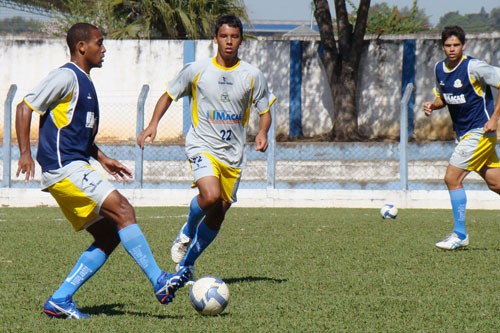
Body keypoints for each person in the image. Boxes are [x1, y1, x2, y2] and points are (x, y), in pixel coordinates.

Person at [16, 23, 189, 319]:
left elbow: (73, 131)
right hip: (65, 168)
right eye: (99, 42)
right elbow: (24, 107)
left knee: (109, 236)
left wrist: (102, 157)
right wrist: (24, 153)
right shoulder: (66, 77)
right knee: (123, 209)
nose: (104, 48)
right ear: (82, 46)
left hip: (72, 166)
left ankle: (60, 299)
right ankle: (160, 282)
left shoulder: (84, 82)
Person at [137, 15, 275, 279]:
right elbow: (169, 94)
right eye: (224, 36)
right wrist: (153, 123)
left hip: (233, 154)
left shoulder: (252, 75)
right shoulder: (197, 70)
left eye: (234, 37)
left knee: (218, 214)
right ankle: (187, 230)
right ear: (215, 39)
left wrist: (263, 132)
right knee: (210, 196)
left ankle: (187, 265)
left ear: (241, 40)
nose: (229, 42)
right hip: (202, 145)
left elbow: (265, 109)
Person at [423, 25, 500, 250]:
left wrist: (495, 118)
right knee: (496, 183)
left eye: (456, 45)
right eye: (448, 45)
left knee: (452, 178)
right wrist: (432, 105)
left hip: (481, 132)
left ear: (463, 45)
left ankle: (460, 234)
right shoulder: (439, 69)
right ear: (442, 47)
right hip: (465, 135)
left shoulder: (473, 67)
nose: (452, 49)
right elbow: (443, 97)